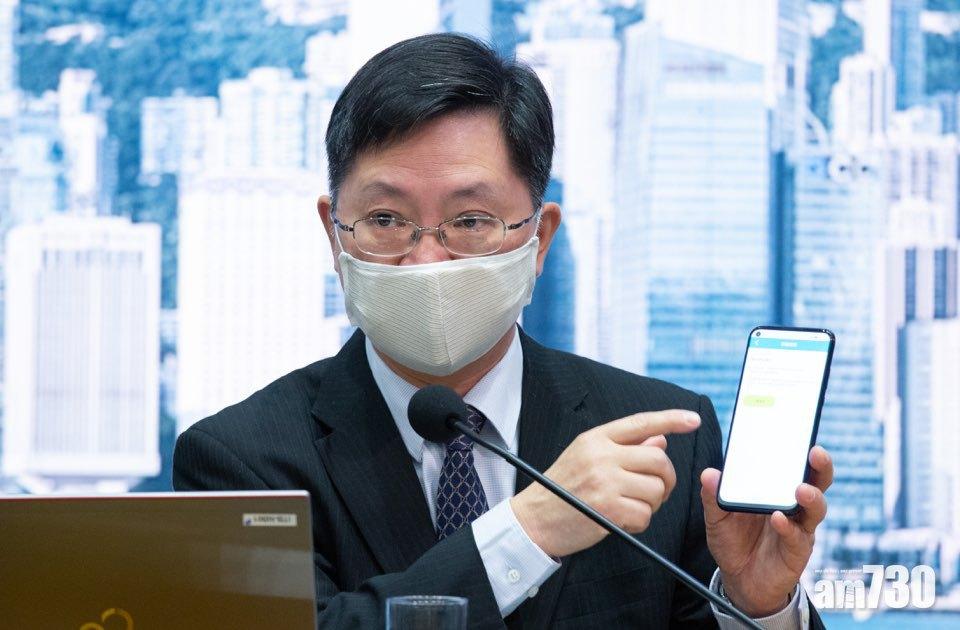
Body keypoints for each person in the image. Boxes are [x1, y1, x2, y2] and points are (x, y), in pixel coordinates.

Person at [173, 33, 831, 629]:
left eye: (470, 222)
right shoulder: (241, 462)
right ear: (333, 232)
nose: (426, 261)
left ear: (539, 239)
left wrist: (758, 608)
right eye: (386, 220)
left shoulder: (661, 444)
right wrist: (527, 531)